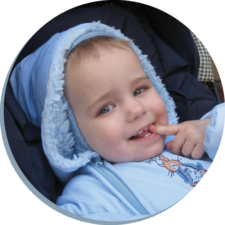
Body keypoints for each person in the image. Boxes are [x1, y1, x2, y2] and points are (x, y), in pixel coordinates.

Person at [9, 22, 225, 221]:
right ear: (69, 133)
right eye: (106, 108)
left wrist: (210, 129)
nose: (137, 109)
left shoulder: (194, 138)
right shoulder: (90, 196)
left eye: (139, 90)